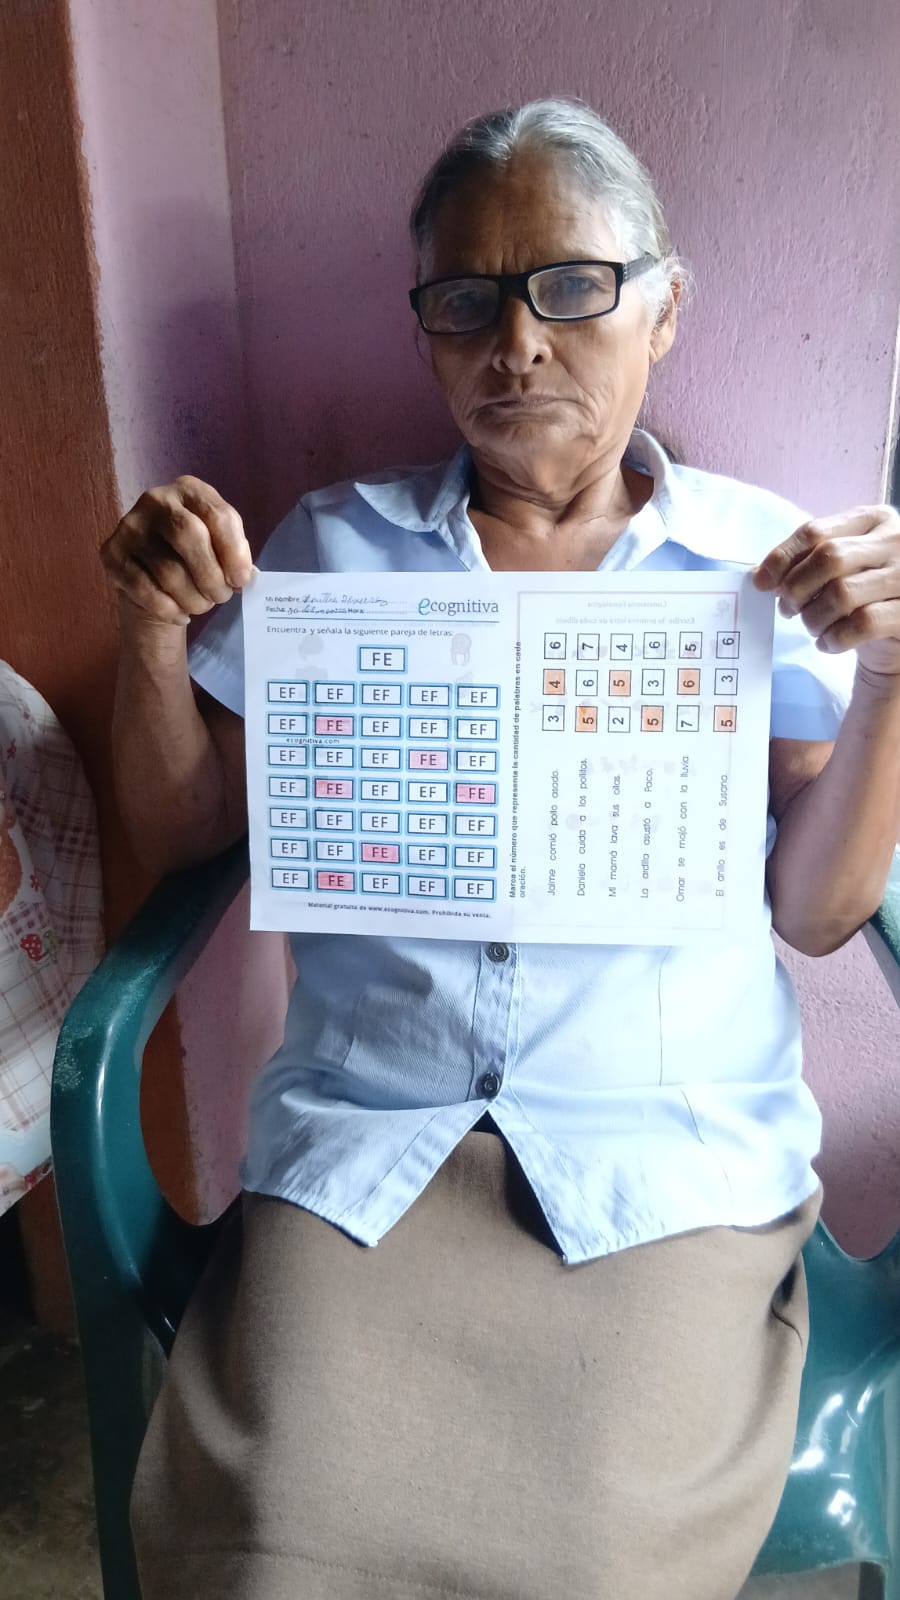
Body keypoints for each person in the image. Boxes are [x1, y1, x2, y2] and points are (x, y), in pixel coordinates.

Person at [102, 100, 900, 1600]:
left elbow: (814, 909)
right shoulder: (335, 552)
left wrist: (892, 681)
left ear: (665, 310)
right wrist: (151, 632)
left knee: (598, 1551)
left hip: (656, 1156)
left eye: (572, 288)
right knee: (279, 1532)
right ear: (426, 330)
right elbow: (187, 828)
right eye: (465, 300)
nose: (518, 343)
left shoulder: (758, 567)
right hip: (372, 1149)